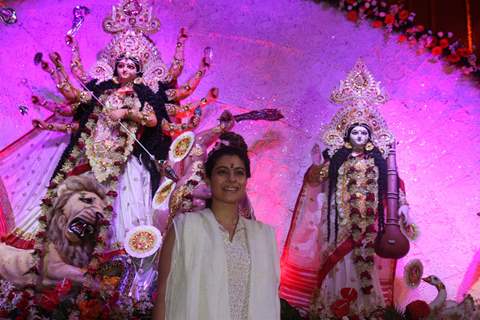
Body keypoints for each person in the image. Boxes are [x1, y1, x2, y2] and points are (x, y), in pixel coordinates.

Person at [0, 1, 218, 253]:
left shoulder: (146, 93)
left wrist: (126, 112)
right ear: (115, 66)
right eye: (122, 65)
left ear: (139, 70)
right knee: (74, 195)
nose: (125, 69)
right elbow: (75, 97)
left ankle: (114, 257)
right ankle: (63, 245)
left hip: (126, 159)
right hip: (91, 152)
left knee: (123, 208)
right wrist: (59, 69)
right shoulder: (100, 89)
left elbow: (153, 121)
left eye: (131, 66)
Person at [280, 60, 414, 318]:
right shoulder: (336, 160)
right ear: (347, 135)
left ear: (371, 136)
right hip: (337, 227)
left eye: (365, 133)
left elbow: (394, 189)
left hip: (369, 229)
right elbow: (314, 182)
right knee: (337, 267)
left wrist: (404, 210)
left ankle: (366, 312)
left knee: (366, 268)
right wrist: (316, 168)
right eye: (357, 132)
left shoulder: (379, 162)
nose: (361, 136)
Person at [153, 132, 280, 320]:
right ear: (208, 179)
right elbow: (164, 296)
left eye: (239, 172)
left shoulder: (263, 236)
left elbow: (269, 300)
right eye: (222, 172)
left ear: (246, 180)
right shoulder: (184, 228)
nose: (231, 179)